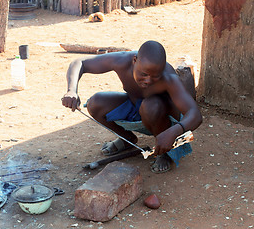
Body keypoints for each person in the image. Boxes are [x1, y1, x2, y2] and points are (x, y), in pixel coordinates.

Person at [61, 40, 202, 173]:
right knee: (95, 103)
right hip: (136, 107)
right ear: (134, 61)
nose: (148, 81)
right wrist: (71, 90)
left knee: (151, 105)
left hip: (163, 120)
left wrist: (173, 132)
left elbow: (194, 114)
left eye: (155, 77)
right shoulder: (122, 61)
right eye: (144, 74)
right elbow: (80, 62)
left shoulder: (169, 78)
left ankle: (164, 153)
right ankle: (127, 140)